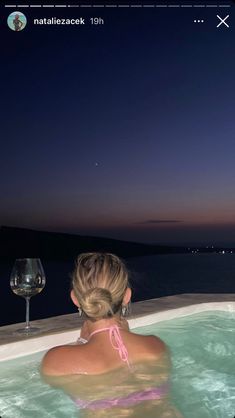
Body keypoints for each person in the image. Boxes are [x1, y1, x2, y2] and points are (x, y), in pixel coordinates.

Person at [41, 253, 183, 417]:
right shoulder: (156, 346)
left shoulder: (56, 361)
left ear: (75, 298)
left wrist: (81, 343)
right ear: (127, 296)